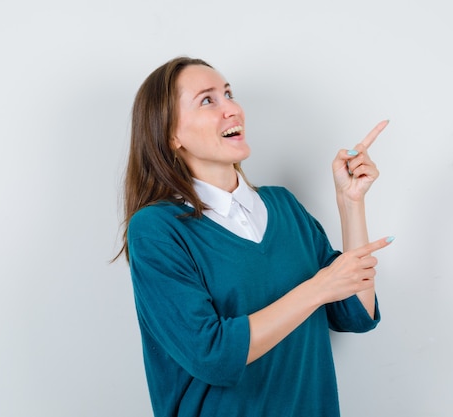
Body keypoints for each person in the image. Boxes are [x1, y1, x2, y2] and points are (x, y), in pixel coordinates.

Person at [114, 56, 394, 417]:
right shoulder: (156, 229)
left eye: (228, 93)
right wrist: (320, 287)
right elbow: (211, 354)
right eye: (207, 100)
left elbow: (356, 312)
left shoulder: (284, 206)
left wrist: (351, 202)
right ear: (172, 136)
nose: (231, 108)